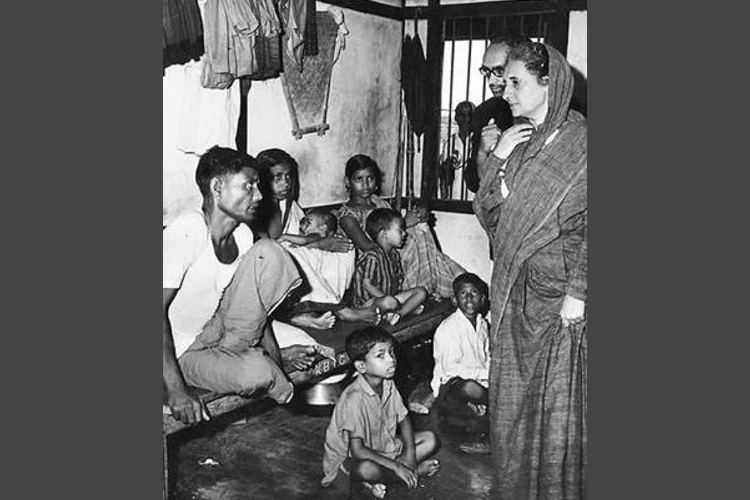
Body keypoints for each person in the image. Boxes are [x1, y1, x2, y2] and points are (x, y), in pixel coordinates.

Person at [473, 41, 587, 498]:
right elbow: (489, 214)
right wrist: (498, 156)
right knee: (512, 400)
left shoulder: (583, 143)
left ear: (550, 82)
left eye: (516, 81)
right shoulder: (519, 140)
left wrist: (578, 293)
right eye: (503, 80)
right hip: (516, 292)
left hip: (561, 299)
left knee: (556, 408)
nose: (506, 91)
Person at [162, 146, 317, 425]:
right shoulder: (189, 230)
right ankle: (255, 365)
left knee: (269, 251)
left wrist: (276, 358)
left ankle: (249, 356)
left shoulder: (243, 235)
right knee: (260, 373)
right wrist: (175, 390)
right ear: (217, 187)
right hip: (183, 350)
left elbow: (256, 308)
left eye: (257, 186)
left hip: (222, 331)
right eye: (248, 186)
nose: (258, 195)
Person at [321, 326, 441, 498]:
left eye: (391, 352)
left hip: (384, 447)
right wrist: (399, 466)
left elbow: (404, 420)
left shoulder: (388, 383)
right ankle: (409, 474)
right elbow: (358, 450)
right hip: (351, 460)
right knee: (367, 470)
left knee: (430, 439)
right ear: (361, 366)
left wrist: (410, 455)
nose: (391, 360)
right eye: (381, 356)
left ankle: (388, 477)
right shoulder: (353, 399)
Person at [336, 154, 465, 299]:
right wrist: (406, 222)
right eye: (359, 179)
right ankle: (436, 287)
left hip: (391, 256)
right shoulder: (347, 216)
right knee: (414, 235)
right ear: (348, 182)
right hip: (372, 266)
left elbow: (395, 229)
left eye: (370, 178)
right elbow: (370, 248)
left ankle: (446, 283)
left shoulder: (380, 204)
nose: (365, 184)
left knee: (419, 229)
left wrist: (416, 217)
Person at [430, 273, 491, 451]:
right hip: (451, 390)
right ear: (455, 300)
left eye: (474, 293)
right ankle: (491, 429)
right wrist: (486, 377)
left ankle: (489, 429)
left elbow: (486, 357)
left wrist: (491, 377)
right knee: (470, 388)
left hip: (478, 385)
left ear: (483, 299)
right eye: (463, 294)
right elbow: (452, 369)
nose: (469, 298)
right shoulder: (449, 328)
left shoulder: (482, 324)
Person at [465, 33, 529, 193]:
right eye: (487, 71)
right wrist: (483, 152)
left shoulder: (552, 109)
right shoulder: (486, 112)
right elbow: (474, 183)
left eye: (499, 71)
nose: (491, 81)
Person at [352, 208, 428, 326]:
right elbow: (366, 284)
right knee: (389, 301)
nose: (405, 233)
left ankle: (398, 314)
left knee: (421, 292)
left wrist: (399, 299)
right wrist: (392, 300)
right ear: (384, 234)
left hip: (390, 299)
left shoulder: (394, 255)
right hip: (368, 304)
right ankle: (397, 311)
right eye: (400, 230)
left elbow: (398, 281)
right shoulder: (372, 256)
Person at [438, 101, 475, 200]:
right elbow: (443, 176)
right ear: (456, 118)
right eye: (462, 115)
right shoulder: (451, 142)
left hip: (475, 201)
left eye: (469, 115)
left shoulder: (480, 141)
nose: (466, 119)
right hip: (455, 199)